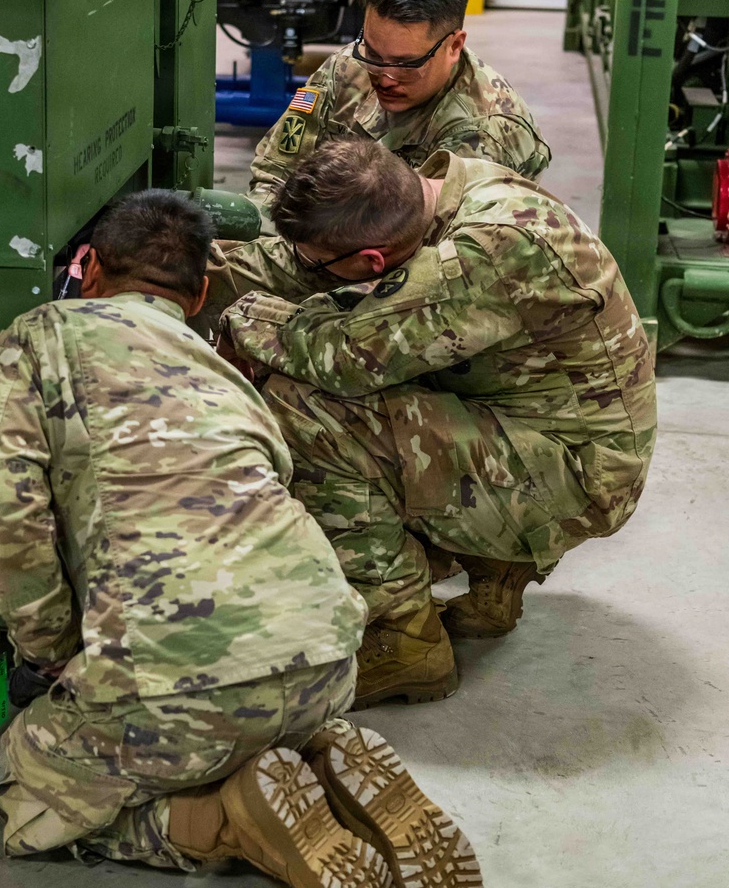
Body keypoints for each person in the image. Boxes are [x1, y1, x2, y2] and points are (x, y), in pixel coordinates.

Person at [0, 189, 484, 888]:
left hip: (178, 686)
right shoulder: (221, 369)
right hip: (330, 663)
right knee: (221, 716)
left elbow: (1, 510)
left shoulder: (38, 340)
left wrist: (50, 648)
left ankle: (224, 822)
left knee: (28, 784)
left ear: (88, 268)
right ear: (200, 294)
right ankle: (319, 762)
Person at [219, 141, 657, 708]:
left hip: (578, 479)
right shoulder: (449, 191)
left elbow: (345, 358)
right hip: (546, 429)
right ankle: (495, 567)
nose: (307, 268)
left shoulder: (493, 249)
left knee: (304, 408)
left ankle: (403, 639)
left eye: (315, 261)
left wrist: (243, 317)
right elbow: (322, 290)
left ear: (373, 260)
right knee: (387, 384)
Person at [201, 0, 551, 331]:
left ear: (454, 46)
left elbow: (438, 276)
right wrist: (277, 238)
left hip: (406, 285)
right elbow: (277, 168)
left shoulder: (485, 132)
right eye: (373, 52)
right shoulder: (349, 67)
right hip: (321, 248)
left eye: (404, 63)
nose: (383, 76)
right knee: (196, 258)